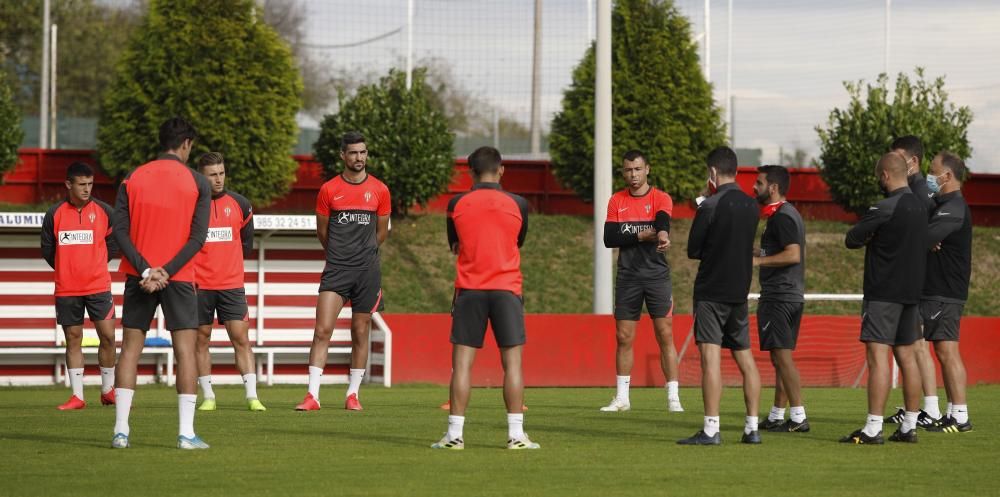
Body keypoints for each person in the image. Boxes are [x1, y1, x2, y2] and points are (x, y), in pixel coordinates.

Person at [110, 117, 211, 449]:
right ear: (186, 144)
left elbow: (120, 232)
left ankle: (121, 432)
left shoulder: (132, 178)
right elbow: (198, 238)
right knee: (186, 353)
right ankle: (185, 434)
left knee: (129, 351)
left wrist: (144, 271)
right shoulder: (198, 181)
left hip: (137, 277)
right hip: (179, 278)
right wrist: (166, 271)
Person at [431, 146, 538, 450]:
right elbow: (519, 241)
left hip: (470, 290)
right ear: (501, 170)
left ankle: (454, 436)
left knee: (462, 366)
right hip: (507, 290)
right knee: (513, 365)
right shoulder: (519, 203)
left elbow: (454, 243)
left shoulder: (456, 203)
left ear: (471, 172)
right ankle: (516, 436)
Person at [296, 131, 390, 411]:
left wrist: (362, 255)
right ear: (343, 156)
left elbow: (381, 233)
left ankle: (353, 395)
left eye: (363, 152)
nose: (359, 157)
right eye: (353, 153)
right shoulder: (328, 190)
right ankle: (312, 396)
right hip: (337, 270)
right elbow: (322, 232)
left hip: (367, 272)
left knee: (360, 332)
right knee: (322, 330)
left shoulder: (380, 190)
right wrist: (341, 254)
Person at [840, 152, 927, 444]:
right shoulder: (920, 205)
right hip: (911, 294)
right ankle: (909, 426)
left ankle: (873, 428)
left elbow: (852, 238)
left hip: (883, 294)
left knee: (878, 358)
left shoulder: (884, 206)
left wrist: (872, 236)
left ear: (886, 176)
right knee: (908, 358)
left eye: (879, 176)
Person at [678, 146, 761, 446]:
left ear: (712, 172)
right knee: (746, 360)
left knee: (711, 360)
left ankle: (711, 428)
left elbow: (693, 250)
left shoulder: (710, 206)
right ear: (736, 170)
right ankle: (752, 427)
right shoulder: (752, 206)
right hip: (739, 291)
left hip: (711, 291)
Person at [599, 150, 682, 413]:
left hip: (657, 276)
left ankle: (673, 397)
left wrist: (662, 234)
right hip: (628, 277)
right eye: (628, 170)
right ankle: (622, 398)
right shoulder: (616, 201)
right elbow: (609, 237)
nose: (633, 175)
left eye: (637, 169)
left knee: (665, 334)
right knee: (623, 336)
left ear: (647, 169)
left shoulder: (660, 197)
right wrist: (639, 237)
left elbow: (662, 221)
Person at [41, 162, 119, 410]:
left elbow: (114, 243)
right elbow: (48, 250)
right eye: (82, 184)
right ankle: (78, 396)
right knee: (73, 339)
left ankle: (108, 391)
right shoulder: (54, 214)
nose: (87, 189)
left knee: (108, 337)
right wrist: (68, 267)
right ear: (68, 184)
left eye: (90, 184)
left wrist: (94, 264)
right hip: (67, 289)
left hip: (99, 286)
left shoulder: (106, 211)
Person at [191, 152, 265, 412]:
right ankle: (208, 396)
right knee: (201, 339)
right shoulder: (190, 205)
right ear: (201, 175)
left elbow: (246, 245)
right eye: (213, 174)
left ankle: (252, 397)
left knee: (240, 338)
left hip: (232, 284)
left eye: (221, 173)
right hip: (198, 285)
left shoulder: (241, 204)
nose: (219, 179)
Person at [886, 135, 941, 426]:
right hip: (920, 274)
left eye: (898, 158)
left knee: (918, 345)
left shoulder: (918, 193)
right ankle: (922, 408)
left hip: (920, 278)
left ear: (913, 161)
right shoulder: (926, 189)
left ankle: (929, 410)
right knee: (916, 344)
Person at [752, 165, 809, 432]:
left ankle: (798, 416)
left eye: (759, 183)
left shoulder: (783, 216)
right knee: (779, 356)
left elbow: (792, 254)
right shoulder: (782, 216)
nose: (754, 187)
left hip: (780, 295)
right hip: (789, 294)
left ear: (773, 188)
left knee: (782, 357)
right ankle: (777, 415)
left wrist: (758, 260)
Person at [921, 152, 973, 433]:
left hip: (943, 290)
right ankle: (954, 413)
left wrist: (926, 237)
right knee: (943, 349)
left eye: (933, 172)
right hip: (938, 289)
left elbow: (925, 238)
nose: (931, 177)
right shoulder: (938, 204)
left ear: (947, 176)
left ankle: (956, 414)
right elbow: (925, 234)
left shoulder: (954, 206)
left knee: (939, 349)